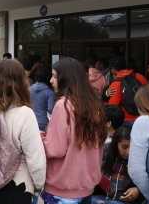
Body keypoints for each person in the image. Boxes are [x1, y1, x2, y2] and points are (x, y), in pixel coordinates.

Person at [0, 59, 46, 204]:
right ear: (21, 82)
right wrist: (39, 184)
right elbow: (35, 158)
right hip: (18, 186)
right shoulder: (25, 113)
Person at [42, 57, 107, 204]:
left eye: (54, 76)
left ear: (66, 78)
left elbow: (55, 149)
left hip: (63, 189)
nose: (51, 80)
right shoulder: (93, 104)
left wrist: (41, 139)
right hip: (87, 187)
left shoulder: (63, 105)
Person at [92, 127, 143, 204]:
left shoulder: (141, 158)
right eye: (124, 147)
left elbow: (148, 182)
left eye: (132, 147)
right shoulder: (104, 151)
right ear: (115, 145)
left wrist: (138, 190)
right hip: (101, 196)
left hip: (124, 200)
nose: (129, 152)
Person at [107, 56, 148, 127]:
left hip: (126, 121)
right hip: (144, 118)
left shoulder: (116, 83)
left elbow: (113, 107)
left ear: (113, 69)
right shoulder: (141, 77)